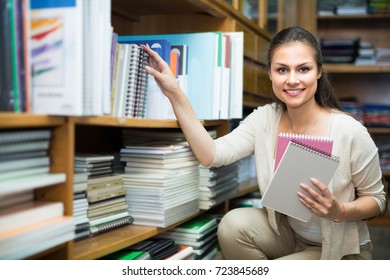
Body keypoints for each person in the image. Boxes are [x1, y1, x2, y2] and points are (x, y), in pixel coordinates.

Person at [142, 26, 387, 260]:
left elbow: (377, 201)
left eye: (303, 69)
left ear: (319, 71)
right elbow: (211, 155)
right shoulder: (264, 118)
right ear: (270, 73)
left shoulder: (350, 131)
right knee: (232, 225)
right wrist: (175, 93)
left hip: (338, 251)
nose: (292, 80)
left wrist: (339, 211)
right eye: (282, 70)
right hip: (289, 236)